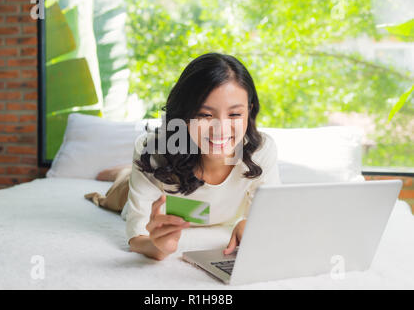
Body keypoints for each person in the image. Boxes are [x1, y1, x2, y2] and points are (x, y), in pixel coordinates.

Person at [90, 52, 281, 261]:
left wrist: (249, 225)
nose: (220, 129)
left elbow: (268, 216)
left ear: (249, 111)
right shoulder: (153, 155)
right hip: (148, 181)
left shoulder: (261, 151)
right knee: (120, 189)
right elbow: (137, 238)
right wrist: (157, 247)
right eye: (204, 114)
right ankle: (122, 173)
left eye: (234, 114)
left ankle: (126, 170)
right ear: (185, 114)